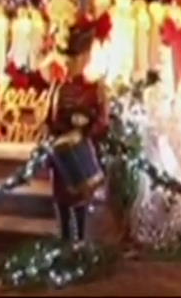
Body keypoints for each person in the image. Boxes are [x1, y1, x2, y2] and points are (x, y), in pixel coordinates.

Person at [47, 27, 109, 243]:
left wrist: (86, 131)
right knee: (62, 200)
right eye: (70, 59)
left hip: (83, 151)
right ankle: (64, 241)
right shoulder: (57, 87)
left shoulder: (95, 88)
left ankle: (81, 241)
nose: (72, 63)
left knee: (81, 200)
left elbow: (103, 121)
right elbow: (50, 119)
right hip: (62, 155)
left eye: (77, 58)